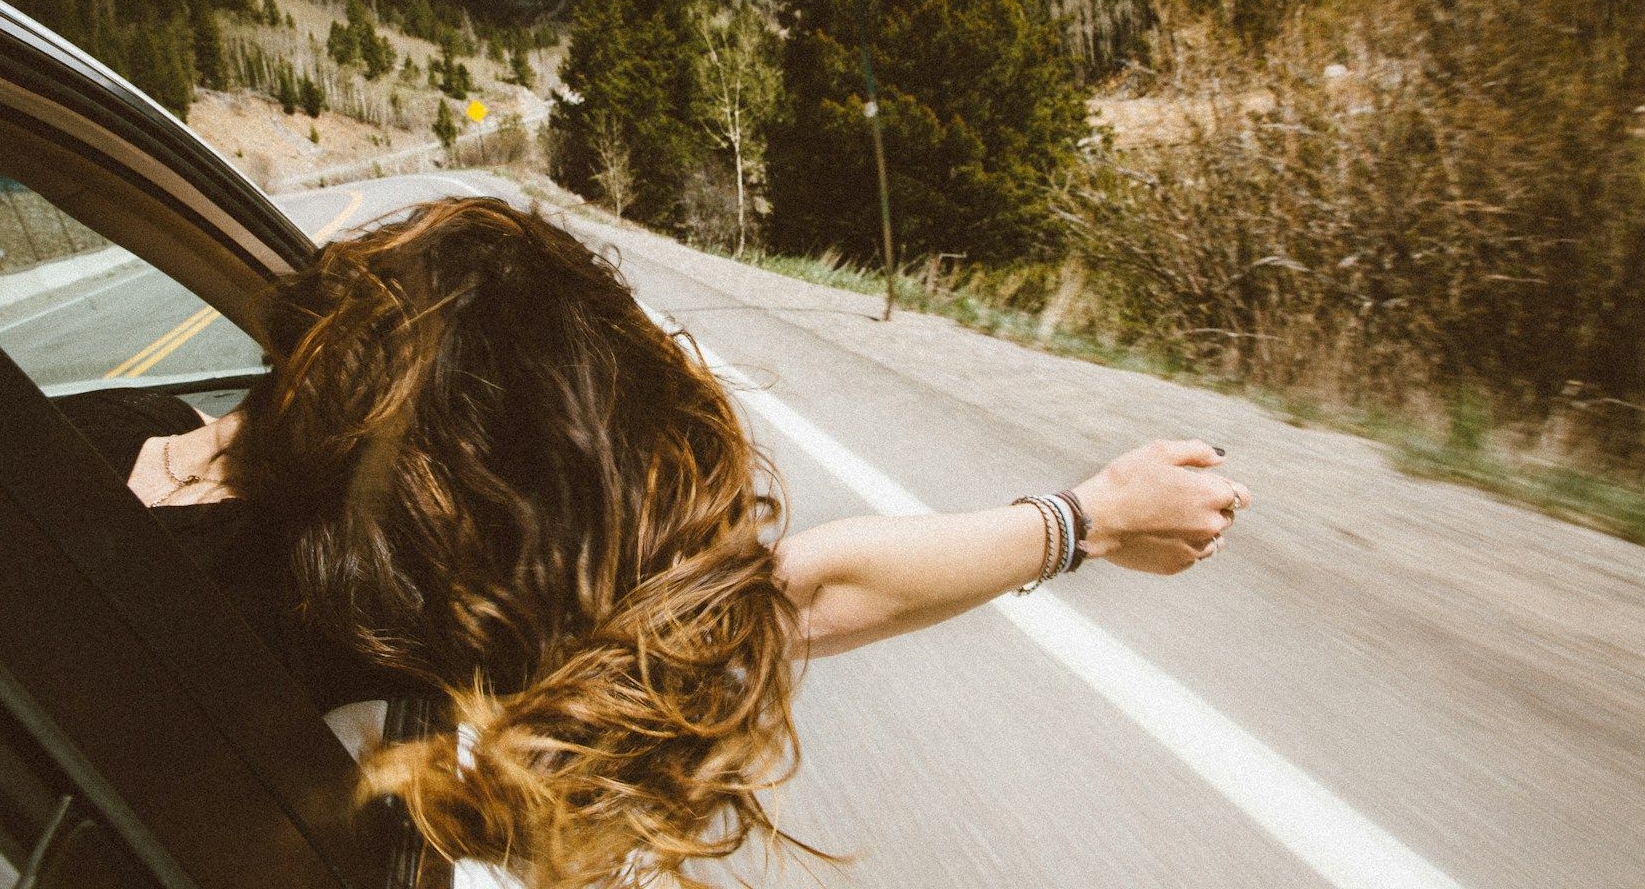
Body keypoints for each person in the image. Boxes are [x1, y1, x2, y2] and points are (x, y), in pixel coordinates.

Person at [61, 197, 1248, 889]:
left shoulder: (60, 438)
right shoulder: (372, 627)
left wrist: (1088, 519)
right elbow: (802, 589)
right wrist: (1084, 519)